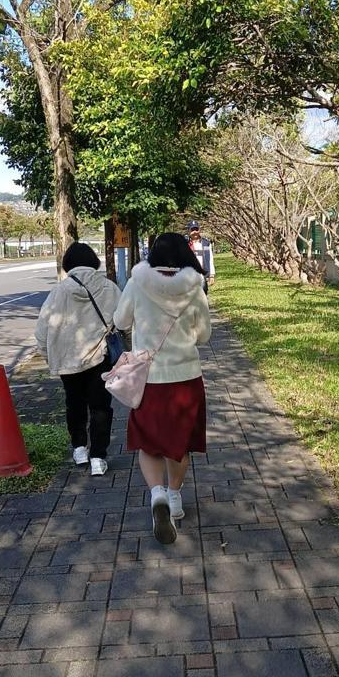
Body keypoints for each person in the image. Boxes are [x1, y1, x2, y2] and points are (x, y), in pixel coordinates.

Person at [113, 233, 211, 544]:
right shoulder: (194, 286)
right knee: (178, 443)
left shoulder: (137, 281)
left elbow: (121, 320)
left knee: (149, 441)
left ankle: (157, 495)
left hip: (149, 379)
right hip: (185, 378)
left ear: (153, 253)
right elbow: (204, 335)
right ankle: (175, 497)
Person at [35, 242, 120, 476]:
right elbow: (123, 321)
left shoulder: (59, 291)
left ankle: (80, 448)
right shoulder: (109, 287)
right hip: (99, 357)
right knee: (101, 407)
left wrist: (49, 356)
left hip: (67, 360)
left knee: (74, 404)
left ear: (67, 264)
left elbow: (42, 331)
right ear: (94, 261)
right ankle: (98, 458)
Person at [187, 220, 215, 292]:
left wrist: (212, 275)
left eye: (196, 229)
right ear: (189, 231)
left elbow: (210, 260)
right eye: (192, 230)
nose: (195, 232)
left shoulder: (206, 243)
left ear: (199, 230)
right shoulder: (185, 244)